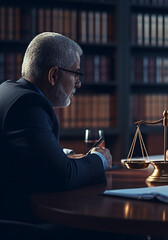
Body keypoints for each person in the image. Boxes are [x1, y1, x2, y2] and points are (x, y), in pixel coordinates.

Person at [0, 32, 112, 223]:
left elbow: (23, 156)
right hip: (23, 223)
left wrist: (60, 154)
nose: (78, 83)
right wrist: (99, 159)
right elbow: (62, 176)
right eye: (76, 73)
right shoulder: (30, 104)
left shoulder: (8, 90)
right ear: (53, 75)